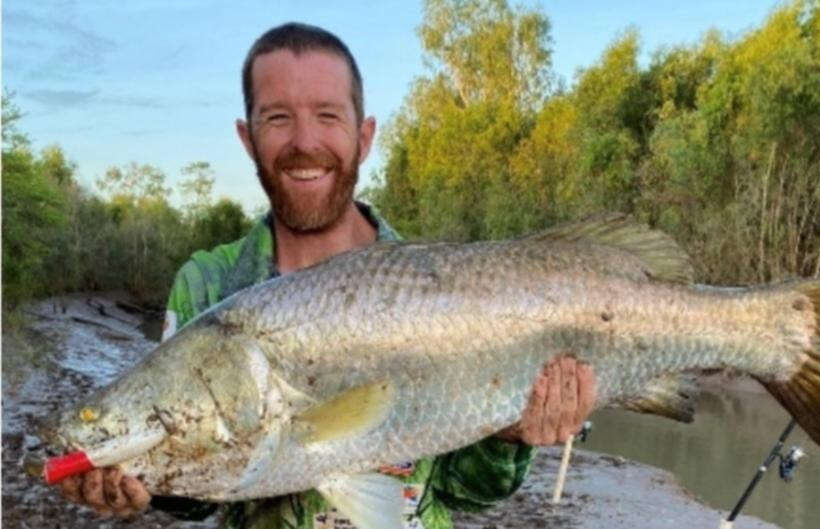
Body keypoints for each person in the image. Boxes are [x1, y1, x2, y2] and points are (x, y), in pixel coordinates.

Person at [57, 22, 596, 529]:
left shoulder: (441, 289)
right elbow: (198, 495)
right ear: (248, 139)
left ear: (364, 137)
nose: (304, 142)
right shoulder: (206, 284)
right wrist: (150, 481)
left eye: (327, 116)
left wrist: (512, 436)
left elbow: (463, 490)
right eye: (278, 118)